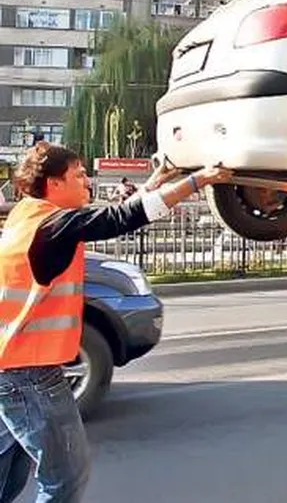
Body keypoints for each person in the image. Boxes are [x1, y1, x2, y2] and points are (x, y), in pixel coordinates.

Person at [0, 142, 232, 502]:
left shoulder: (27, 217)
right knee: (65, 478)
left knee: (8, 473)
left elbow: (118, 212)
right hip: (29, 374)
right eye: (79, 176)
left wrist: (157, 179)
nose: (88, 183)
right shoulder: (55, 226)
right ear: (54, 184)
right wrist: (198, 181)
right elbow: (123, 218)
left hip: (10, 368)